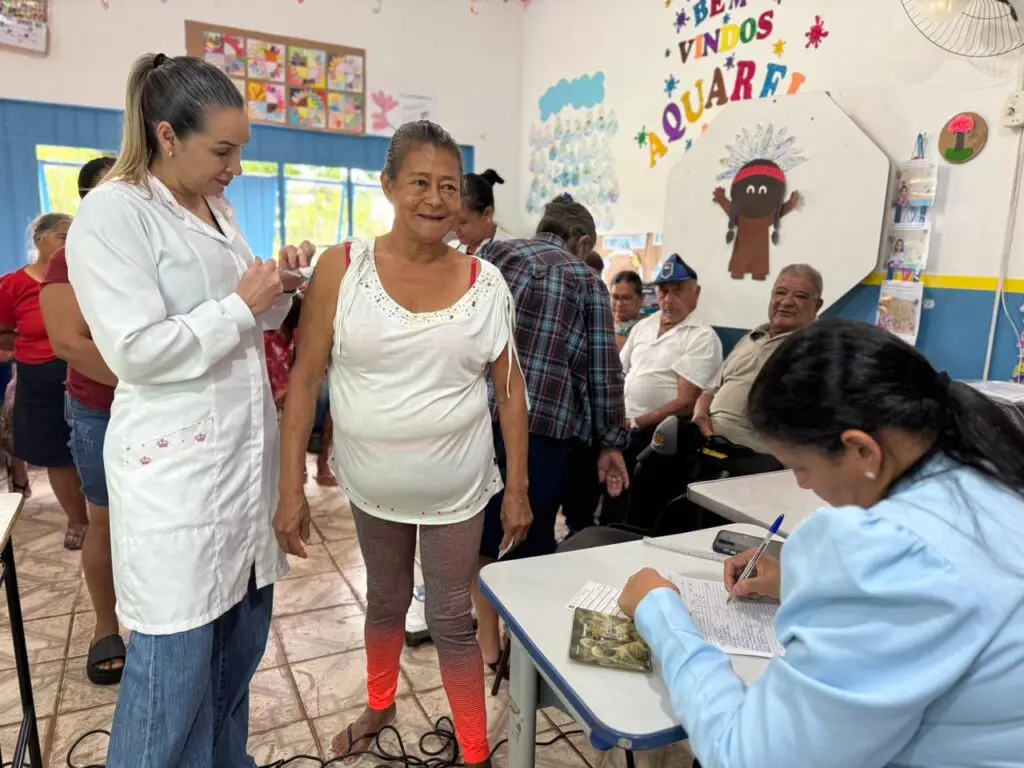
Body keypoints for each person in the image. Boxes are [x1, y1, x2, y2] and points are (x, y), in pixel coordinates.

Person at [619, 318, 1024, 768]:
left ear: (861, 451)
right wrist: (795, 578)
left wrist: (661, 613)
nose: (804, 486)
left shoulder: (889, 549)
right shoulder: (989, 469)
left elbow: (748, 757)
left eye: (801, 468)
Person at [65, 52, 311, 767]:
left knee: (233, 669)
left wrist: (279, 286)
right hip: (178, 484)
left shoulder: (217, 208)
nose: (235, 167)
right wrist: (241, 302)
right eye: (222, 151)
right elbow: (136, 350)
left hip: (240, 472)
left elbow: (250, 322)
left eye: (241, 152)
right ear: (168, 135)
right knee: (169, 689)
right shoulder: (114, 213)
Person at [274, 120, 529, 768]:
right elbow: (306, 377)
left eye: (448, 185)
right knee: (385, 601)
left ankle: (474, 752)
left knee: (449, 619)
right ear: (388, 186)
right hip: (371, 488)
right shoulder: (342, 268)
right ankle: (380, 703)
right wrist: (290, 489)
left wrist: (519, 489)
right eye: (419, 181)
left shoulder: (485, 282)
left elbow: (510, 392)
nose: (435, 197)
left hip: (458, 491)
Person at [474, 195, 629, 661]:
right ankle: (520, 644)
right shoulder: (585, 279)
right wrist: (610, 441)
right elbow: (603, 370)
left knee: (482, 532)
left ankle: (486, 643)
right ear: (581, 241)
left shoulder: (490, 255)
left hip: (474, 422)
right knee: (529, 535)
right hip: (542, 429)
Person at [39, 155, 125, 685]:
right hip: (99, 406)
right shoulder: (69, 259)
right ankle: (104, 625)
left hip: (163, 409)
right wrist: (151, 382)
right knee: (106, 520)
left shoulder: (153, 248)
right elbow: (69, 343)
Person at [0, 213, 89, 549]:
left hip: (84, 368)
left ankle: (102, 513)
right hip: (40, 377)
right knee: (56, 453)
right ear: (39, 239)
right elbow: (4, 333)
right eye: (63, 238)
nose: (70, 245)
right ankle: (78, 520)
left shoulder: (82, 278)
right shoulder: (13, 285)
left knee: (91, 446)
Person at [692, 264, 823, 457]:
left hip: (752, 453)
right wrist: (699, 414)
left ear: (817, 306)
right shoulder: (752, 337)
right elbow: (710, 389)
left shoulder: (814, 348)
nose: (786, 302)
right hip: (707, 440)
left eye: (800, 296)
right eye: (780, 293)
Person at [453, 168, 513, 254]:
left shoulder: (511, 251)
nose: (454, 229)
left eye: (462, 222)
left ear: (487, 214)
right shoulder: (450, 249)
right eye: (452, 220)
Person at [610, 269, 644, 349]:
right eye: (615, 297)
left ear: (641, 300)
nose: (619, 304)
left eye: (626, 298)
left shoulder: (644, 326)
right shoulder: (606, 321)